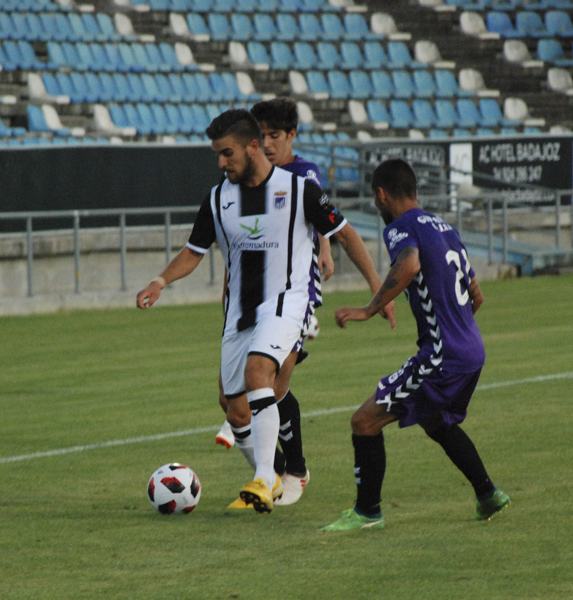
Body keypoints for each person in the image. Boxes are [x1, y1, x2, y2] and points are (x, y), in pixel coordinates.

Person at [136, 109, 393, 514]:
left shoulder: (297, 189)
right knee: (232, 406)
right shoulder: (219, 198)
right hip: (240, 310)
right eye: (218, 155)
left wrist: (378, 289)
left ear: (252, 147)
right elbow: (193, 251)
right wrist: (161, 281)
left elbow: (343, 233)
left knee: (261, 374)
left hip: (288, 300)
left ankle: (266, 478)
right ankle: (271, 473)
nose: (221, 163)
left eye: (227, 154)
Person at [323, 158, 510, 531]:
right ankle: (488, 494)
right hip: (472, 351)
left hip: (443, 355)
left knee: (364, 421)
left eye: (376, 202)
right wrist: (457, 331)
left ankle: (366, 512)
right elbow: (477, 296)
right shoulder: (445, 228)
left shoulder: (401, 227)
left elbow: (407, 267)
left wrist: (369, 307)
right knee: (435, 422)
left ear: (381, 195)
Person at [213, 98, 332, 507]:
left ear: (291, 136)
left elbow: (323, 218)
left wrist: (326, 248)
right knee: (241, 399)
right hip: (253, 300)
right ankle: (275, 473)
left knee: (270, 382)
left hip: (295, 294)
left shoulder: (301, 174)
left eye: (274, 136)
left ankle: (290, 472)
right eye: (260, 136)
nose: (266, 144)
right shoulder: (246, 182)